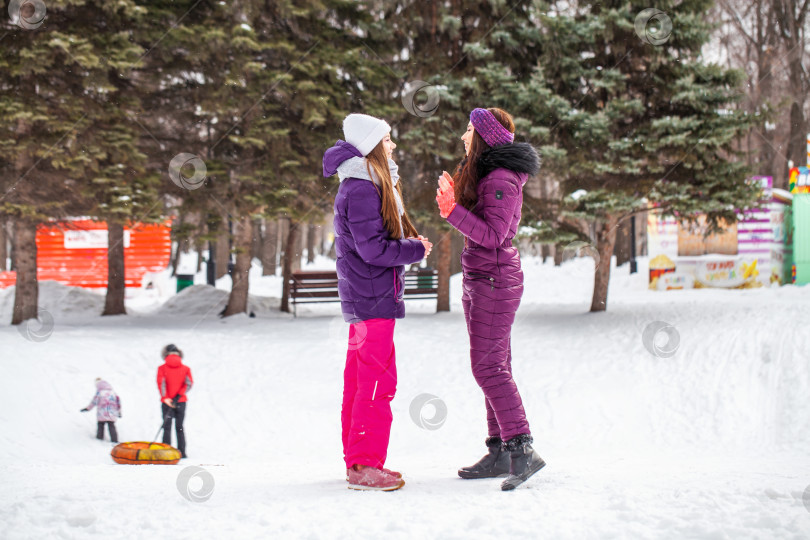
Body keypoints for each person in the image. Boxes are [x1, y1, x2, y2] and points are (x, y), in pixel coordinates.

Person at [435, 107, 545, 491]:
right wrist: (456, 203)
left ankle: (522, 449)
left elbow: (495, 235)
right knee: (494, 366)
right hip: (481, 277)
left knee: (488, 369)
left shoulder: (501, 177)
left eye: (469, 130)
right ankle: (500, 450)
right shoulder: (489, 173)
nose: (464, 136)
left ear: (484, 136)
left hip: (495, 280)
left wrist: (452, 211)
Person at [323, 113, 433, 491]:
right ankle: (365, 464)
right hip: (372, 300)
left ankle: (357, 460)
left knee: (359, 381)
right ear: (372, 145)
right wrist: (414, 249)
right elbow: (373, 249)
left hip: (364, 299)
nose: (393, 146)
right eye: (387, 140)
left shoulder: (361, 185)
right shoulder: (363, 188)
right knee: (375, 383)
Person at [157, 344, 193, 458]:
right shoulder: (186, 369)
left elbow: (161, 384)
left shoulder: (162, 368)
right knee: (180, 427)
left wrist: (166, 398)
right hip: (181, 402)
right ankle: (182, 452)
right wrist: (179, 395)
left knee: (167, 426)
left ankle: (166, 451)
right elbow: (188, 384)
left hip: (167, 402)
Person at [80, 378, 121, 443]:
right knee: (111, 425)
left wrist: (88, 408)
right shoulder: (113, 392)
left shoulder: (100, 393)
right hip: (111, 413)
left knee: (101, 424)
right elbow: (118, 402)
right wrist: (119, 412)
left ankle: (99, 438)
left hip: (102, 413)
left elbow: (94, 402)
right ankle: (114, 440)